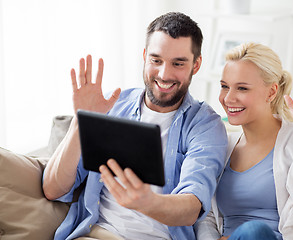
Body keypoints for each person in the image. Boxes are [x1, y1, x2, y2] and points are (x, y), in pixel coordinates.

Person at [42, 12, 228, 240]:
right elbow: (52, 189)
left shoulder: (205, 125)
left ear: (196, 65)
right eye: (156, 60)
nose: (164, 74)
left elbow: (191, 207)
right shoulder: (111, 105)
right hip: (99, 234)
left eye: (178, 63)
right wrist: (81, 122)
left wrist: (147, 202)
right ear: (144, 56)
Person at [194, 42, 293, 240]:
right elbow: (206, 216)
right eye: (224, 86)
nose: (228, 98)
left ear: (271, 92)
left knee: (254, 232)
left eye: (242, 88)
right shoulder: (222, 145)